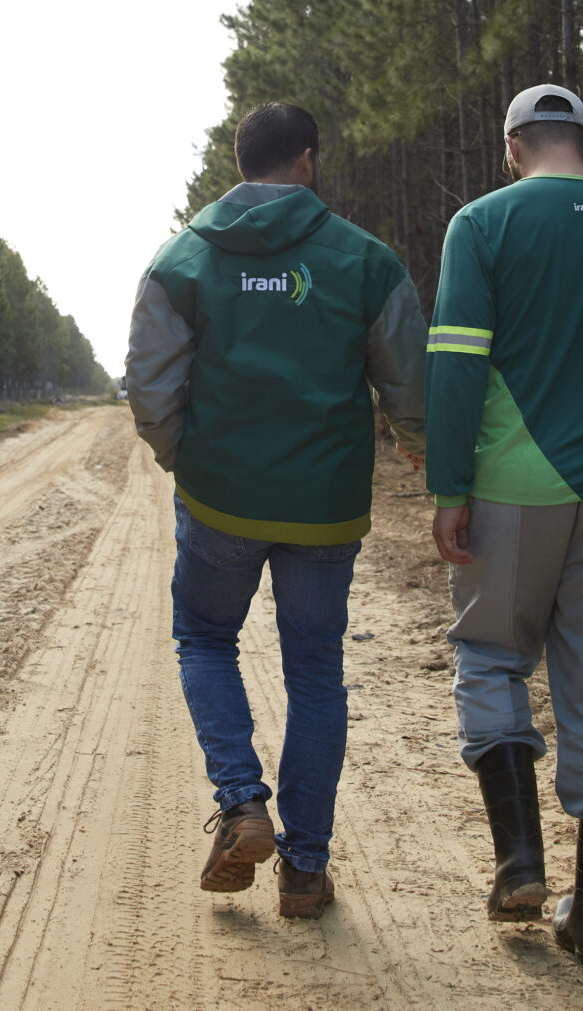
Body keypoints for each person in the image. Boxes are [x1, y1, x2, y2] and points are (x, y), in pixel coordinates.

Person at [126, 102, 426, 920]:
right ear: (308, 159)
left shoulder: (185, 258)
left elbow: (150, 383)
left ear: (240, 162)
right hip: (324, 505)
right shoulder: (364, 259)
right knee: (316, 674)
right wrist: (420, 444)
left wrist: (181, 456)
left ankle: (241, 801)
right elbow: (408, 378)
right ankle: (304, 868)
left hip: (221, 495)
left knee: (205, 637)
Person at [423, 83, 583, 968]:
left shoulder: (480, 224)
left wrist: (449, 483)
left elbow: (455, 366)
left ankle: (520, 859)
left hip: (512, 485)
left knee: (491, 654)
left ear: (511, 146)